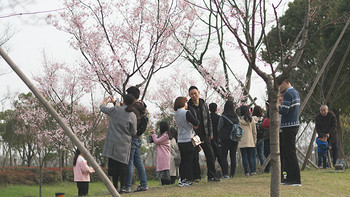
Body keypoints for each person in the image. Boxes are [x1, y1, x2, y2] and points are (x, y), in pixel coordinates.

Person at [100, 94, 137, 193]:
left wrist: (104, 102)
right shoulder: (132, 115)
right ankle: (123, 187)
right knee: (123, 165)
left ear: (123, 101)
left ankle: (115, 187)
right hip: (125, 143)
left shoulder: (115, 110)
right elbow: (134, 132)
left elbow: (103, 108)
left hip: (113, 142)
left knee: (114, 165)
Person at [187, 86, 221, 182]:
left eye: (195, 93)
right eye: (191, 94)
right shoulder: (188, 106)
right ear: (189, 95)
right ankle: (196, 177)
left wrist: (210, 132)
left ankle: (212, 176)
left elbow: (208, 119)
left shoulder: (203, 104)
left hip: (204, 133)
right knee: (195, 156)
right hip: (194, 134)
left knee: (210, 154)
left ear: (198, 92)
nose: (194, 95)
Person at [125, 86, 149, 193]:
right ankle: (144, 185)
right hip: (138, 137)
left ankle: (127, 186)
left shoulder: (133, 108)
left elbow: (125, 111)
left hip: (132, 137)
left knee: (130, 162)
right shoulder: (142, 106)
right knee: (138, 162)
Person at [279, 78, 302, 186]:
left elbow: (285, 110)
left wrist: (275, 107)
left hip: (289, 126)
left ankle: (296, 179)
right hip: (293, 125)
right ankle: (289, 178)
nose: (279, 88)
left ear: (284, 82)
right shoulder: (295, 92)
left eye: (280, 85)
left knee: (290, 153)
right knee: (288, 153)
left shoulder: (288, 94)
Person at [174, 96, 199, 187]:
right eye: (186, 102)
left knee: (183, 161)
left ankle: (181, 179)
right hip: (188, 139)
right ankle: (184, 180)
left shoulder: (175, 113)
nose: (187, 104)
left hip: (180, 140)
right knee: (188, 161)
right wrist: (194, 125)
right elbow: (196, 122)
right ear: (183, 103)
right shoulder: (186, 112)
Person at [217, 100, 239, 178]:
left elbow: (219, 127)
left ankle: (225, 173)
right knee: (233, 156)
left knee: (224, 156)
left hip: (225, 138)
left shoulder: (223, 116)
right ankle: (232, 174)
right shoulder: (236, 116)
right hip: (234, 138)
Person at [238, 105, 257, 176]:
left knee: (244, 157)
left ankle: (246, 172)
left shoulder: (239, 120)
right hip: (250, 140)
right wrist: (255, 141)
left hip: (242, 141)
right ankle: (253, 171)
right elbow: (254, 132)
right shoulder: (251, 120)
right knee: (251, 156)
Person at [150, 121, 171, 185]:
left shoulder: (165, 135)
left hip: (163, 155)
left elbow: (156, 141)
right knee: (163, 170)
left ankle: (166, 183)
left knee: (164, 170)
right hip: (162, 154)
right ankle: (163, 183)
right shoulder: (164, 134)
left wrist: (153, 134)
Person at [209, 102, 223, 170]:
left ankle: (211, 172)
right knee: (220, 156)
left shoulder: (207, 118)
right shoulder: (219, 118)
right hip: (217, 139)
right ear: (216, 109)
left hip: (209, 138)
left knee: (211, 157)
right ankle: (224, 172)